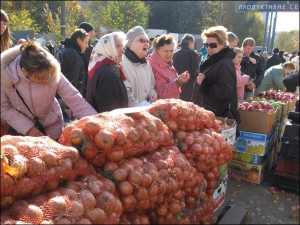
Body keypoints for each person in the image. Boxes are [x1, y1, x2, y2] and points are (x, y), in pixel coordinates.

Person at [1, 41, 97, 140]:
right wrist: (28, 128)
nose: (47, 80)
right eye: (41, 78)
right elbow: (4, 108)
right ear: (24, 71)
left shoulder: (51, 71)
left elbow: (75, 99)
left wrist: (97, 122)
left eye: (49, 76)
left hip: (54, 129)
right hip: (24, 134)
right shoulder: (5, 77)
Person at [195, 26, 240, 131]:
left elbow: (226, 91)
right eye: (206, 44)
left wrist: (204, 83)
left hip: (218, 117)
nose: (209, 48)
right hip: (209, 115)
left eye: (213, 45)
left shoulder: (225, 63)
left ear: (223, 44)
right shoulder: (212, 59)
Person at [86, 31, 128, 113]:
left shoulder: (105, 68)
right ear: (107, 48)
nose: (122, 50)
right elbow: (108, 110)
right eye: (117, 46)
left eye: (122, 46)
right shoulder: (106, 74)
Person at [57, 29, 89, 122]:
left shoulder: (66, 51)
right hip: (68, 105)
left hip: (63, 102)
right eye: (86, 42)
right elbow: (71, 81)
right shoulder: (73, 54)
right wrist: (70, 105)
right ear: (79, 41)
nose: (87, 46)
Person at [121, 26, 157, 107]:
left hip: (145, 111)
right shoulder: (122, 63)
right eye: (141, 40)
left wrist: (152, 93)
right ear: (131, 44)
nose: (146, 44)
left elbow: (151, 85)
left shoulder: (147, 64)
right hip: (130, 113)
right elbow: (125, 93)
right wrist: (139, 109)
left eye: (147, 41)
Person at [147, 34, 190, 99]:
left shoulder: (167, 62)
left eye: (171, 51)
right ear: (157, 50)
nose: (169, 54)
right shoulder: (154, 65)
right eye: (166, 51)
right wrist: (178, 82)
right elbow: (161, 92)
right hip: (162, 107)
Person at [173, 33, 199, 101]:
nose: (193, 45)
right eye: (193, 43)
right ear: (190, 43)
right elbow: (195, 71)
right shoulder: (193, 54)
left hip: (175, 84)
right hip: (188, 86)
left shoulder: (175, 54)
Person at [79, 22, 95, 98]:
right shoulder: (85, 50)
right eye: (91, 32)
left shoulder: (90, 48)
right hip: (85, 87)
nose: (93, 34)